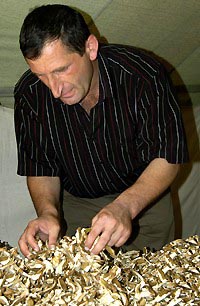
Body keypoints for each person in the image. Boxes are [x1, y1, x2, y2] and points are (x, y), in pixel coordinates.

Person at [14, 4, 188, 258]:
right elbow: (41, 168)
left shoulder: (143, 76)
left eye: (61, 70)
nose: (54, 90)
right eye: (41, 75)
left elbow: (168, 156)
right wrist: (49, 213)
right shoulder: (29, 94)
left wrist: (125, 207)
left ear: (90, 47)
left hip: (145, 204)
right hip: (78, 208)